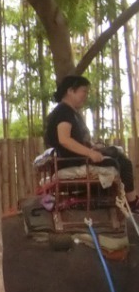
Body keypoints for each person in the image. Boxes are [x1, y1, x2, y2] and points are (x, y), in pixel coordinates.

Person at [44, 74, 139, 208]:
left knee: (114, 151)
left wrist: (93, 147)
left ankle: (119, 200)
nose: (86, 95)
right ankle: (132, 201)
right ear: (71, 91)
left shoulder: (69, 112)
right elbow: (64, 139)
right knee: (122, 161)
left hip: (74, 158)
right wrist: (90, 153)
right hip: (71, 160)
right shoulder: (63, 111)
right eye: (84, 91)